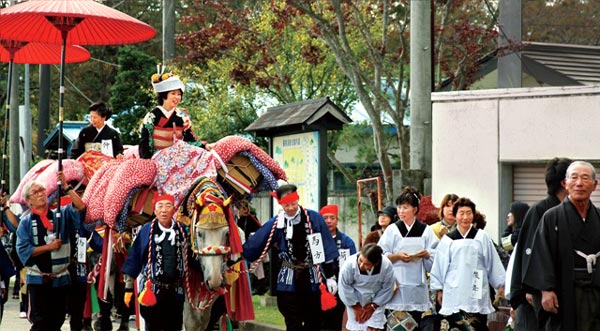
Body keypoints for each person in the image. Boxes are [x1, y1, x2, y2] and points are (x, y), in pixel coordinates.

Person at [242, 184, 339, 331]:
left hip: (312, 276)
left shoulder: (313, 218)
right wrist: (239, 252)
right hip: (289, 278)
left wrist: (330, 276)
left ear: (298, 200)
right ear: (281, 204)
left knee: (314, 320)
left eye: (293, 204)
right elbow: (258, 242)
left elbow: (325, 246)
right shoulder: (277, 223)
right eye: (287, 205)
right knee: (292, 321)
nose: (291, 208)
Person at [523, 160, 600, 331]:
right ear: (565, 184)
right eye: (574, 178)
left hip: (595, 290)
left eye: (585, 178)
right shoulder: (552, 217)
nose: (579, 183)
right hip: (564, 291)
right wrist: (545, 289)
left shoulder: (598, 217)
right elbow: (541, 255)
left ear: (594, 185)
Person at [16, 172, 86, 331]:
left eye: (42, 190)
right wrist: (49, 247)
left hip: (61, 278)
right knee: (40, 322)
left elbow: (81, 207)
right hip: (38, 280)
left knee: (57, 320)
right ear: (29, 201)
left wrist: (67, 187)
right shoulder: (25, 222)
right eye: (36, 192)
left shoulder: (61, 214)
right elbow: (23, 251)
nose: (41, 194)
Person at [509, 157, 571, 331]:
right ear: (564, 182)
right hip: (534, 296)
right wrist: (532, 288)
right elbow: (531, 251)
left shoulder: (568, 211)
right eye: (574, 177)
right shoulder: (541, 210)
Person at [430, 197, 505, 331]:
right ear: (455, 215)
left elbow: (492, 262)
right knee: (457, 325)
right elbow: (440, 266)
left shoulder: (482, 237)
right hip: (454, 287)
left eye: (469, 213)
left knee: (477, 324)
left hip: (476, 283)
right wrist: (439, 289)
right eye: (461, 213)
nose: (465, 217)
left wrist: (500, 284)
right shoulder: (448, 240)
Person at [121, 193, 187, 331]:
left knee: (175, 326)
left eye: (168, 206)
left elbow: (192, 257)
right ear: (154, 210)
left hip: (176, 291)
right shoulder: (146, 230)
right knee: (153, 326)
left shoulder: (182, 230)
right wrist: (128, 288)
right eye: (160, 206)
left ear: (174, 209)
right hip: (153, 290)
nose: (164, 210)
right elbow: (134, 258)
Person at [377, 186, 438, 329]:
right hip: (396, 285)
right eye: (399, 207)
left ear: (415, 209)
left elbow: (437, 255)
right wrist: (396, 256)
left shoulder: (425, 230)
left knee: (415, 324)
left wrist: (427, 254)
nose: (401, 211)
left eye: (405, 207)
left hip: (417, 285)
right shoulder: (392, 230)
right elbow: (380, 255)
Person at [139, 73, 198, 159]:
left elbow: (190, 140)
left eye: (179, 94)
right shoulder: (152, 116)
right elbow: (145, 141)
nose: (177, 97)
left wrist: (205, 146)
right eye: (173, 93)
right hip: (157, 157)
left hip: (179, 157)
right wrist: (147, 159)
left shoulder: (182, 116)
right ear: (164, 95)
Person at [338, 243, 395, 331]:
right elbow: (344, 286)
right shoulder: (349, 264)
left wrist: (374, 305)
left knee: (373, 328)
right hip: (354, 298)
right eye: (360, 260)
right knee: (357, 327)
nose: (361, 266)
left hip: (377, 298)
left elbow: (388, 287)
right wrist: (356, 307)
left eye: (367, 264)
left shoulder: (386, 265)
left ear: (376, 263)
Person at [319, 204, 357, 331]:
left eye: (332, 218)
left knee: (336, 321)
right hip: (320, 287)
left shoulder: (346, 241)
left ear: (337, 220)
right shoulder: (316, 240)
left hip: (340, 287)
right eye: (325, 218)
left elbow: (353, 265)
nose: (329, 221)